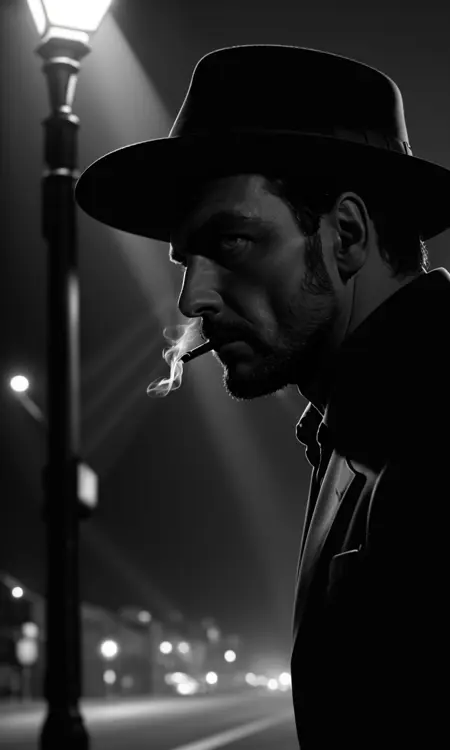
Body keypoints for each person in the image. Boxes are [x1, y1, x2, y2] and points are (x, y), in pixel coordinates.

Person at [75, 45, 450, 749]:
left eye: (233, 243)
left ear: (346, 235)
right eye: (186, 260)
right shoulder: (357, 424)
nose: (193, 298)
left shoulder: (431, 424)